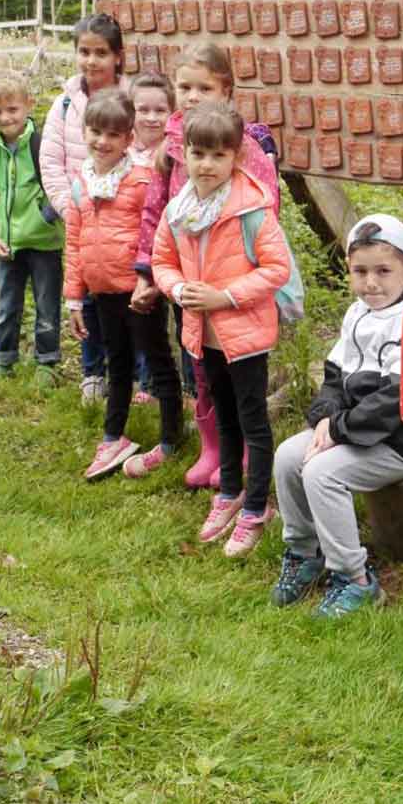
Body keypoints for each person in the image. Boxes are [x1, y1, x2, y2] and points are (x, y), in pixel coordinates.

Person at [133, 43, 281, 490]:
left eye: (204, 87)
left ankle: (242, 452)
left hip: (233, 275)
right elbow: (157, 211)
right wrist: (149, 274)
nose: (193, 96)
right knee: (197, 361)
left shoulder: (246, 144)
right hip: (188, 278)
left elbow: (263, 202)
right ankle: (213, 446)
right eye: (185, 87)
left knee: (237, 368)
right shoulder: (174, 147)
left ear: (227, 89)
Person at [272, 214, 403, 617]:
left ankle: (354, 577)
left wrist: (340, 430)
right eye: (360, 271)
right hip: (358, 429)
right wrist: (327, 418)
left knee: (323, 473)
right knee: (288, 457)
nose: (371, 283)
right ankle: (304, 550)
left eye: (383, 271)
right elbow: (334, 376)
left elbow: (399, 397)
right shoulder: (356, 313)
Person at [151, 102, 290, 557]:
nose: (206, 164)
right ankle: (228, 492)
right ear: (184, 154)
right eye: (197, 153)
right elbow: (162, 261)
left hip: (244, 336)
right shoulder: (179, 209)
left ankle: (256, 506)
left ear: (235, 158)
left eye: (217, 155)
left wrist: (223, 296)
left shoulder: (251, 210)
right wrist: (178, 289)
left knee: (252, 422)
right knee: (223, 416)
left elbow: (276, 269)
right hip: (203, 335)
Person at [64, 89, 182, 481]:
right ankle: (113, 436)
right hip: (101, 290)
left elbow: (157, 233)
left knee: (158, 361)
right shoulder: (82, 181)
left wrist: (149, 279)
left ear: (128, 139)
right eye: (95, 132)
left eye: (113, 135)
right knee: (118, 365)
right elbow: (74, 238)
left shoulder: (142, 178)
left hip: (138, 290)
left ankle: (170, 439)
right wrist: (74, 298)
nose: (102, 141)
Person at [40, 12, 127, 404]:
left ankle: (138, 377)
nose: (91, 61)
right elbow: (51, 164)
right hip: (83, 219)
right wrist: (71, 209)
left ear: (118, 57)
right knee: (86, 299)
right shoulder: (63, 107)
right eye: (84, 52)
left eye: (101, 53)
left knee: (129, 304)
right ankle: (93, 371)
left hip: (124, 223)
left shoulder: (132, 101)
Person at [0, 69, 65, 391]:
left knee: (47, 304)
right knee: (7, 306)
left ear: (28, 105)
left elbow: (59, 185)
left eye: (12, 109)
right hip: (6, 245)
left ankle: (47, 362)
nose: (5, 118)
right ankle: (3, 361)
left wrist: (46, 216)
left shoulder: (42, 145)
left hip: (44, 243)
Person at [127, 72, 175, 405]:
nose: (151, 117)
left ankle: (182, 389)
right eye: (142, 109)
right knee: (146, 318)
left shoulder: (176, 154)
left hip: (173, 251)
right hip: (136, 251)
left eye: (160, 110)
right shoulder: (124, 154)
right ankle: (147, 383)